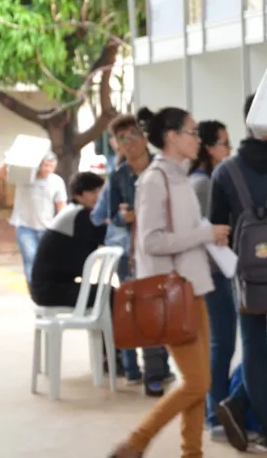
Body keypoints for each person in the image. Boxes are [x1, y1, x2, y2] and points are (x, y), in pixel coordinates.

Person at [110, 107, 231, 458]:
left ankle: (191, 453)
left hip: (194, 288)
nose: (197, 139)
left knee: (198, 383)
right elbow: (151, 241)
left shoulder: (179, 176)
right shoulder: (153, 179)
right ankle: (136, 441)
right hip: (173, 293)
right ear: (172, 137)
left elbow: (178, 235)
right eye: (192, 132)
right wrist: (204, 233)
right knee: (197, 382)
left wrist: (206, 236)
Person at [211, 96, 267, 454]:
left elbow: (217, 232)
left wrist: (236, 271)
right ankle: (243, 405)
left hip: (245, 277)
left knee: (253, 347)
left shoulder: (224, 172)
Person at [106, 113, 175, 396]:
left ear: (144, 137)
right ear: (118, 145)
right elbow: (113, 216)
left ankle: (162, 365)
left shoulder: (163, 168)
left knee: (167, 312)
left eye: (133, 134)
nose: (130, 142)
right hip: (132, 255)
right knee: (144, 312)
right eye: (123, 139)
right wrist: (127, 217)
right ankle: (154, 374)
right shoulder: (118, 176)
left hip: (165, 250)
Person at [185, 119, 234, 439]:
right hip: (214, 273)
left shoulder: (197, 179)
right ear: (208, 148)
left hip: (208, 273)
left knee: (217, 344)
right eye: (223, 143)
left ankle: (212, 410)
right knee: (222, 343)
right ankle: (215, 413)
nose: (228, 149)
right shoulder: (204, 182)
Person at [29, 172, 107, 308]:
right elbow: (108, 237)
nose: (99, 196)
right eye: (93, 192)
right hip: (51, 291)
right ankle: (111, 330)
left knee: (106, 292)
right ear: (79, 194)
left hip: (48, 288)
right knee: (110, 294)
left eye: (100, 191)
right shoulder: (80, 215)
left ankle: (103, 330)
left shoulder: (73, 211)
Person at [0, 152, 67, 284]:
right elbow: (2, 174)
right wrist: (8, 161)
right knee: (31, 259)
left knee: (47, 261)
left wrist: (61, 228)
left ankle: (45, 290)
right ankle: (35, 292)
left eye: (51, 166)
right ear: (39, 165)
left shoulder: (57, 181)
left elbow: (61, 205)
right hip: (25, 227)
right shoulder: (24, 176)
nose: (47, 169)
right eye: (45, 165)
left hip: (47, 227)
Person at [189, 120, 230, 214]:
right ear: (210, 148)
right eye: (226, 144)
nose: (230, 149)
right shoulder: (204, 184)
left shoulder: (194, 178)